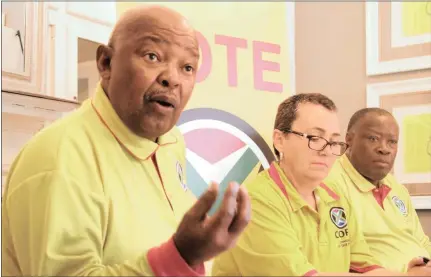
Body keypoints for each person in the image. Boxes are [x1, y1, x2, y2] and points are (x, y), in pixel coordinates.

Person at [1, 5, 251, 276]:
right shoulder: (59, 158)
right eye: (152, 56)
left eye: (187, 67)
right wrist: (178, 258)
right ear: (106, 63)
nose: (172, 78)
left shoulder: (170, 141)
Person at [211, 93, 429, 276]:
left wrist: (405, 274)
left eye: (334, 141)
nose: (326, 150)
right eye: (315, 138)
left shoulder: (334, 198)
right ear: (279, 140)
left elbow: (366, 268)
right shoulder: (256, 202)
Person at [324, 108, 431, 273]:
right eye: (373, 138)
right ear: (349, 140)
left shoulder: (396, 187)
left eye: (392, 142)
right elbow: (346, 257)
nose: (384, 149)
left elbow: (421, 240)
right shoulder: (330, 184)